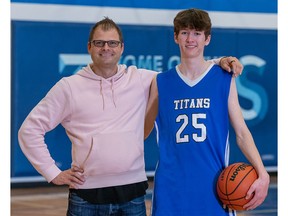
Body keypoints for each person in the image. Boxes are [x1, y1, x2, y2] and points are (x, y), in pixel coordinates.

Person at [18, 17, 243, 216]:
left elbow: (190, 73)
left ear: (122, 48)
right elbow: (29, 130)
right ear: (89, 47)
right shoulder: (68, 87)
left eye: (112, 43)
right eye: (99, 43)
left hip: (132, 196)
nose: (106, 48)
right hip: (86, 197)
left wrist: (220, 62)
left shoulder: (142, 79)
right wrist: (52, 172)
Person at [144, 8, 270, 216]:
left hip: (214, 188)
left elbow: (241, 133)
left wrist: (262, 173)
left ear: (207, 39)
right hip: (170, 191)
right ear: (175, 37)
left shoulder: (224, 77)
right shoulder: (160, 82)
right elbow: (142, 132)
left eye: (197, 33)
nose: (190, 39)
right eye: (184, 32)